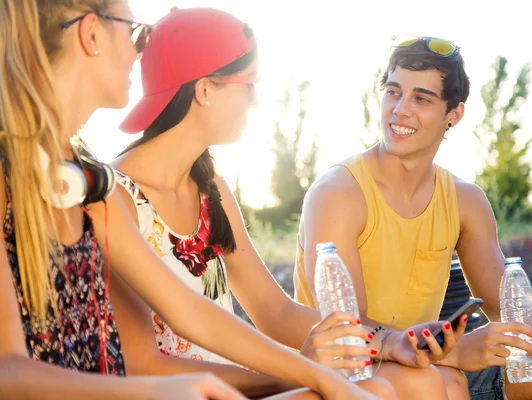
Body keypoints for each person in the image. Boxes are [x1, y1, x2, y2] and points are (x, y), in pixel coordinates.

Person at [0, 1, 388, 399]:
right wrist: (159, 391)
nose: (140, 50)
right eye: (133, 30)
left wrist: (317, 375)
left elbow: (187, 311)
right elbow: (7, 373)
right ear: (92, 34)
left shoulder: (90, 184)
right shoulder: (31, 181)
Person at [111, 7, 463, 400]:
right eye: (250, 85)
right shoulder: (116, 199)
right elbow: (142, 367)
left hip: (236, 388)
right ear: (206, 89)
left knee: (421, 380)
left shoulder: (212, 191)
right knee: (396, 387)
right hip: (188, 393)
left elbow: (275, 312)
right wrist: (304, 373)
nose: (256, 101)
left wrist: (391, 341)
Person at [293, 35, 532, 400]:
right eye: (393, 91)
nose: (400, 109)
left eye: (421, 98)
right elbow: (349, 329)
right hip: (350, 371)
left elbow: (504, 303)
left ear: (453, 114)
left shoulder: (464, 200)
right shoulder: (338, 193)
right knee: (441, 382)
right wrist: (455, 353)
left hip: (427, 363)